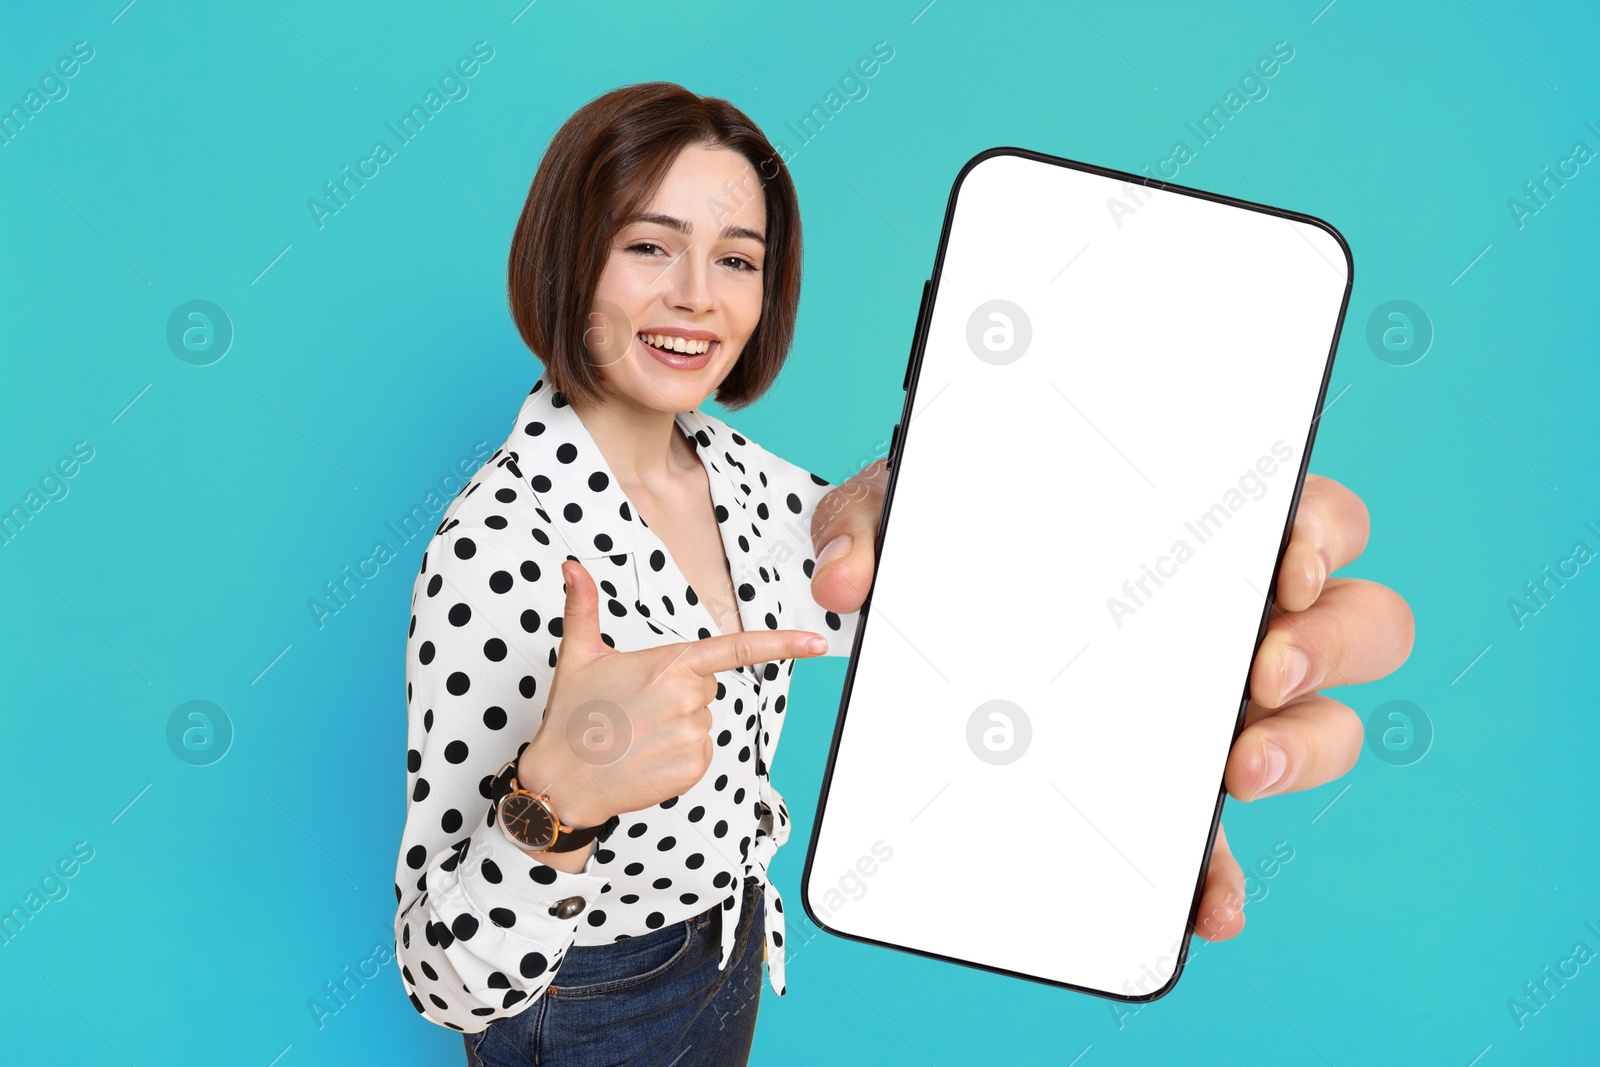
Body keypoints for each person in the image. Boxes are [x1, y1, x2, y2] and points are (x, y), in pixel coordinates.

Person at [392, 82, 1413, 1066]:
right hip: (585, 996)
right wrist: (559, 798)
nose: (697, 296)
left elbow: (944, 606)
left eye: (737, 258)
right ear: (569, 258)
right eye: (649, 245)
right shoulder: (498, 548)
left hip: (731, 942)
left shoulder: (737, 474)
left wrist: (1190, 583)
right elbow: (445, 980)